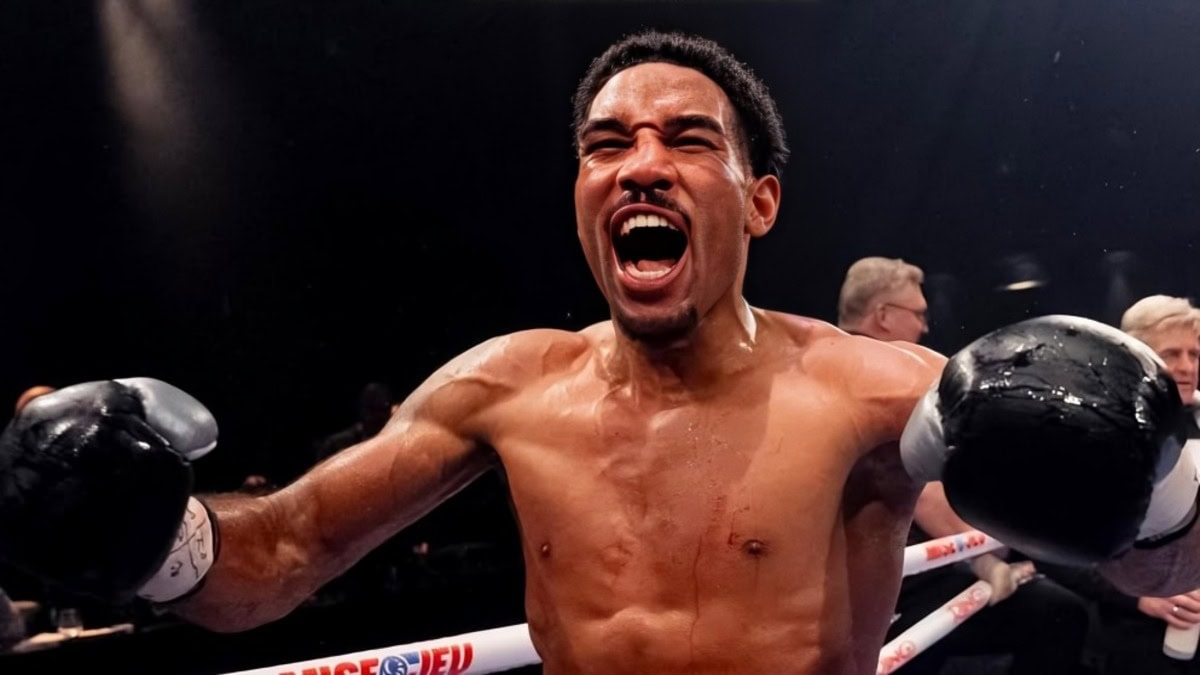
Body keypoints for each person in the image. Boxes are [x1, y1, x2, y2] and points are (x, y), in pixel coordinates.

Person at [0, 31, 1197, 675]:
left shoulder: (867, 390)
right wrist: (153, 539)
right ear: (582, 191)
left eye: (687, 139)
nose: (640, 162)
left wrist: (1158, 498)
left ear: (759, 200)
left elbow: (1161, 574)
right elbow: (281, 556)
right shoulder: (503, 386)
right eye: (605, 143)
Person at [838, 256, 1092, 674]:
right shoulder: (875, 373)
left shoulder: (836, 364)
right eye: (917, 314)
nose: (924, 325)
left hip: (906, 572)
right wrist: (985, 560)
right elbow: (909, 483)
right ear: (883, 317)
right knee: (1054, 614)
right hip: (871, 585)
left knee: (1055, 611)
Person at [1042, 295, 1200, 674]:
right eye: (1172, 354)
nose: (1186, 367)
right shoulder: (1091, 431)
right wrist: (1137, 596)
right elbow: (1050, 544)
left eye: (1194, 354)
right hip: (1134, 625)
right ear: (1137, 357)